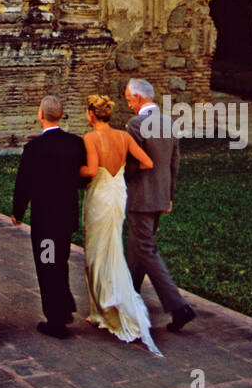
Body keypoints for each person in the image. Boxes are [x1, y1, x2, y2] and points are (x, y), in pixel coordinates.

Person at [80, 94, 163, 357]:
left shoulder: (90, 138)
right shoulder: (124, 137)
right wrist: (125, 173)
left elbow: (91, 171)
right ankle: (104, 308)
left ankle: (102, 311)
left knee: (95, 251)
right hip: (118, 193)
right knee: (112, 244)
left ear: (91, 115)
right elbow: (148, 162)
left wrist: (73, 169)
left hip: (100, 194)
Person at [10, 95, 84, 340]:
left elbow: (24, 184)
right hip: (66, 216)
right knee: (59, 260)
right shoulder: (75, 143)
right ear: (61, 115)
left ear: (40, 115)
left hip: (45, 220)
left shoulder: (33, 149)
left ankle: (56, 318)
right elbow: (83, 175)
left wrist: (17, 212)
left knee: (47, 264)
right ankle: (64, 305)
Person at [125, 78, 196, 333]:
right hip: (159, 196)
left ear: (140, 99)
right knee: (137, 249)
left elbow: (133, 163)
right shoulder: (169, 122)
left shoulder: (136, 124)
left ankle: (179, 307)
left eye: (130, 100)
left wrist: (120, 178)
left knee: (145, 248)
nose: (129, 104)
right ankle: (129, 297)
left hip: (141, 198)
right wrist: (168, 196)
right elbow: (174, 163)